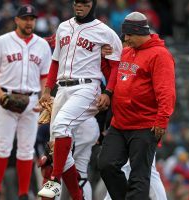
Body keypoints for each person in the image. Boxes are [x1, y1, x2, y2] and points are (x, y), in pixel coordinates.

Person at [37, 0, 122, 199]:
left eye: (84, 3)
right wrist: (47, 91)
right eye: (77, 2)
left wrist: (108, 92)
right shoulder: (63, 27)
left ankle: (55, 180)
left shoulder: (104, 31)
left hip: (87, 86)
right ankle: (78, 197)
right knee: (57, 147)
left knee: (61, 127)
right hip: (62, 88)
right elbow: (55, 61)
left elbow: (116, 65)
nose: (79, 6)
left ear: (92, 4)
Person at [98, 12, 176, 200]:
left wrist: (162, 119)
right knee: (106, 165)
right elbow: (113, 77)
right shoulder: (127, 51)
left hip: (145, 125)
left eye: (129, 35)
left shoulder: (160, 55)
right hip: (120, 123)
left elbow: (166, 91)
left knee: (139, 177)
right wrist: (104, 60)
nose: (126, 39)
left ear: (139, 32)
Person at [0, 4, 52, 200]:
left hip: (31, 100)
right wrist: (0, 95)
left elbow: (45, 75)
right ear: (17, 20)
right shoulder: (3, 41)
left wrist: (43, 99)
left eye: (32, 18)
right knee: (3, 146)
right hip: (6, 97)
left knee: (26, 149)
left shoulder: (42, 45)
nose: (29, 22)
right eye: (25, 18)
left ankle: (23, 194)